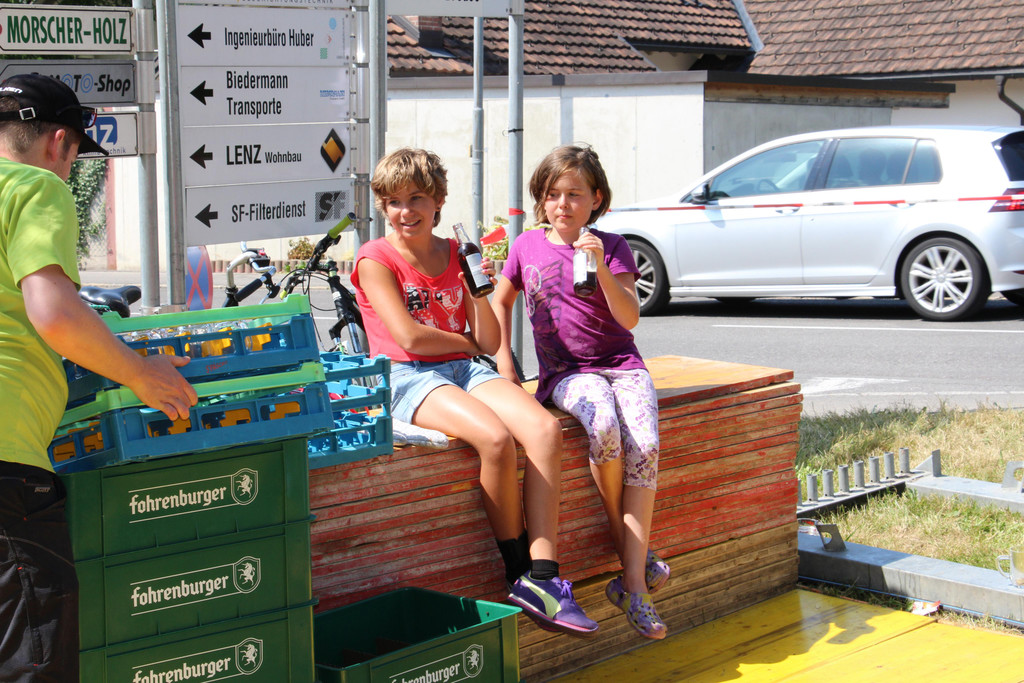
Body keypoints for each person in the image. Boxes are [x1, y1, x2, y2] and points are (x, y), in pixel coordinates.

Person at [352, 147, 598, 637]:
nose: (406, 211)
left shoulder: (454, 253)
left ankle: (544, 574)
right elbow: (408, 338)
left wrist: (476, 286)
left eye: (417, 198)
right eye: (394, 201)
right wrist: (464, 342)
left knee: (544, 430)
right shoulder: (375, 258)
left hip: (461, 368)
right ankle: (517, 571)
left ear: (438, 200)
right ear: (382, 206)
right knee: (495, 439)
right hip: (404, 375)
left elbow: (487, 339)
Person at [0, 74, 198, 680]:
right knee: (32, 659)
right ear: (59, 142)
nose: (68, 172)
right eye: (73, 159)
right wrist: (141, 374)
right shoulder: (33, 185)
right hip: (7, 470)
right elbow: (55, 312)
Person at [491, 144, 670, 640]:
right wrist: (504, 361)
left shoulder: (611, 245)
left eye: (574, 194)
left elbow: (630, 317)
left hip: (622, 365)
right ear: (541, 199)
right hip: (568, 372)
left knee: (645, 445)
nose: (563, 204)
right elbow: (499, 302)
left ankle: (633, 583)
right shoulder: (526, 246)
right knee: (604, 425)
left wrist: (600, 266)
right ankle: (634, 562)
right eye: (553, 194)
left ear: (597, 199)